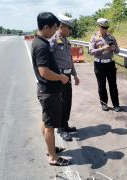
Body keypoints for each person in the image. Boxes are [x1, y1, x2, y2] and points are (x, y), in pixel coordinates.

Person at [31, 12, 70, 166]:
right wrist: (61, 77)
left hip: (45, 90)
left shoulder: (40, 41)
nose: (55, 31)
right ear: (46, 27)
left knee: (46, 121)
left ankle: (51, 148)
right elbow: (44, 72)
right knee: (50, 126)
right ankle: (53, 157)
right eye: (54, 28)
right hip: (48, 91)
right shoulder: (41, 46)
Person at [50, 13, 79, 141]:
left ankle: (65, 125)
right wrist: (57, 76)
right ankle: (61, 129)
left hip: (67, 75)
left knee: (68, 102)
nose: (70, 30)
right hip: (59, 76)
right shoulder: (54, 40)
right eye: (69, 28)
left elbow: (70, 59)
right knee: (61, 103)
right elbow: (49, 61)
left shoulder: (67, 41)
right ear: (61, 27)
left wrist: (75, 75)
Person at [89, 18, 121, 112]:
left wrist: (114, 48)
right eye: (103, 27)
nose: (105, 29)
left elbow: (118, 51)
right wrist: (102, 49)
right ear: (99, 27)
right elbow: (90, 51)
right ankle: (104, 104)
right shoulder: (94, 38)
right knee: (101, 85)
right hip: (99, 64)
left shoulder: (111, 37)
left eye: (106, 27)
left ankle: (116, 105)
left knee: (113, 85)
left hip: (110, 64)